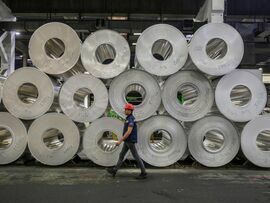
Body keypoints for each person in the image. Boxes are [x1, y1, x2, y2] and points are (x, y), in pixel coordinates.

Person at [107, 103, 147, 179]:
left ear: (130, 110)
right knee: (121, 155)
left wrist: (120, 141)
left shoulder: (131, 119)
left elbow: (129, 132)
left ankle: (144, 173)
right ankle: (114, 170)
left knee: (136, 157)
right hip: (127, 141)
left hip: (130, 141)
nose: (125, 110)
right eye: (125, 109)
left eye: (126, 109)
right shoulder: (128, 118)